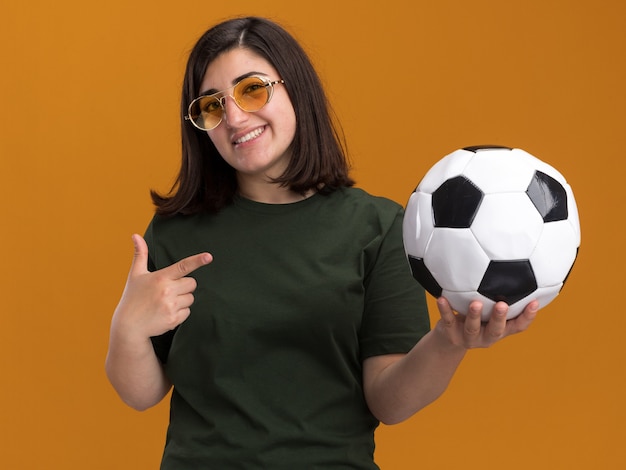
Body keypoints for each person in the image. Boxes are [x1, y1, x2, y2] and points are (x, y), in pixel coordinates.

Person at [105, 16, 538, 469]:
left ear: (297, 90)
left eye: (251, 89)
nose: (233, 117)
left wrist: (448, 343)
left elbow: (389, 403)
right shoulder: (175, 234)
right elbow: (141, 393)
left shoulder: (380, 226)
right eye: (211, 106)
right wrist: (127, 327)